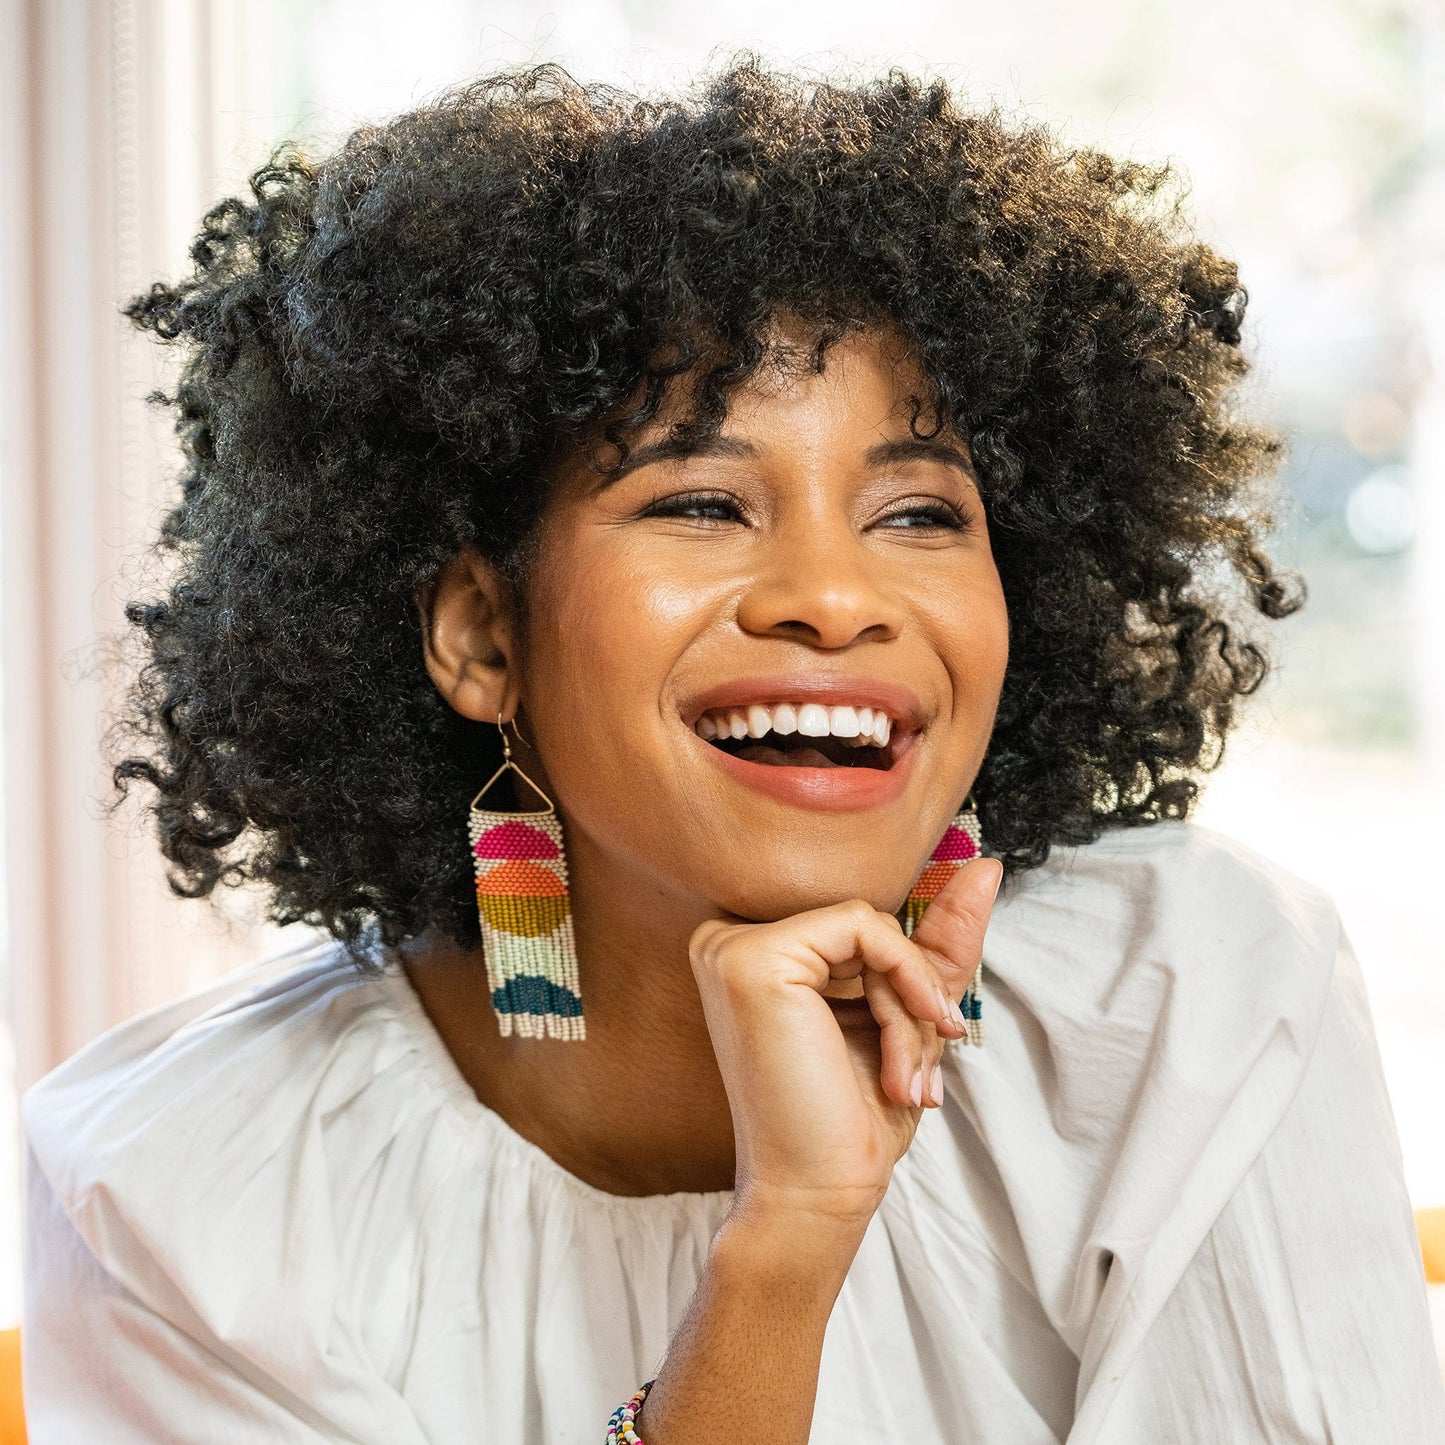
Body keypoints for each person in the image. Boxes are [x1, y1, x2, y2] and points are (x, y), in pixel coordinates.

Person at [18, 56, 1444, 1444]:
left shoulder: (1184, 1004)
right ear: (480, 634)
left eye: (918, 514)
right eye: (701, 503)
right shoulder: (187, 1194)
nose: (834, 596)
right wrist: (787, 1247)